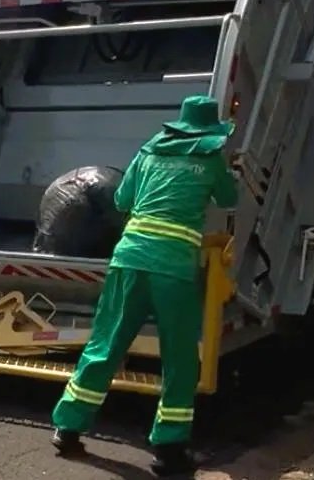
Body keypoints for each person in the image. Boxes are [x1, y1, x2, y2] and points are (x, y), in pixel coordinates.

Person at [50, 94, 239, 477]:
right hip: (172, 268)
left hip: (129, 259)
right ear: (209, 133)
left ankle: (68, 427)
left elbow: (121, 200)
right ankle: (168, 451)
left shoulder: (148, 153)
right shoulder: (210, 161)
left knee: (106, 344)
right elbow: (229, 200)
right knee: (179, 358)